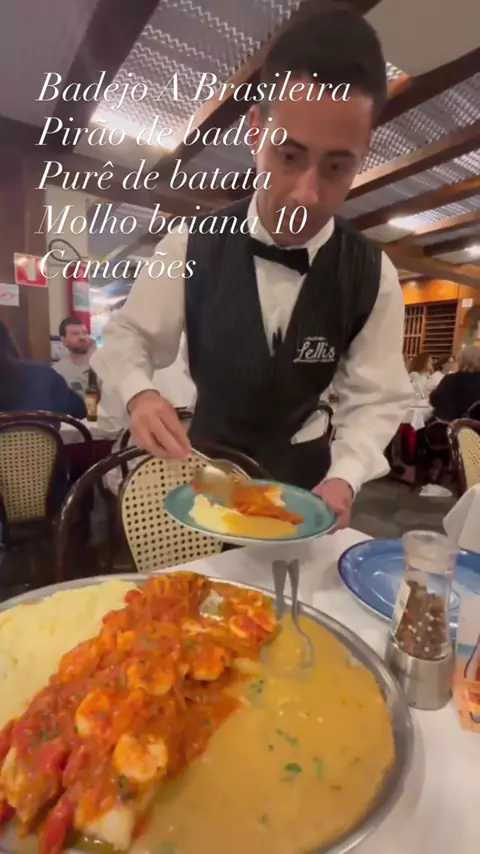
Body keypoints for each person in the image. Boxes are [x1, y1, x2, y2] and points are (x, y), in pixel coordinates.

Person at [92, 5, 412, 529]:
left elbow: (378, 399)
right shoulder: (188, 246)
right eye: (289, 156)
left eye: (337, 166)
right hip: (205, 481)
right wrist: (140, 394)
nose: (306, 195)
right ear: (256, 131)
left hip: (307, 492)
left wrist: (346, 475)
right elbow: (129, 337)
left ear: (364, 151)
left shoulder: (374, 276)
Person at [0, 321, 86, 418]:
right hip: (46, 428)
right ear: (9, 341)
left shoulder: (45, 376)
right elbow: (81, 411)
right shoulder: (44, 375)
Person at [430, 347, 480, 422]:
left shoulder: (448, 379)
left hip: (446, 425)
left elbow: (434, 400)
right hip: (473, 426)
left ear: (460, 361)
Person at [54, 317, 91, 396]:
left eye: (85, 333)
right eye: (75, 334)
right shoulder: (57, 372)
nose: (82, 337)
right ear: (63, 340)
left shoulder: (104, 366)